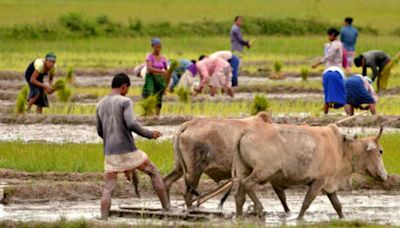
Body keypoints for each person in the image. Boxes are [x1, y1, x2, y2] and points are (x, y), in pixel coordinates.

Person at [96, 73, 170, 220]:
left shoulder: (100, 104)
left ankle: (103, 220)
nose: (127, 91)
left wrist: (111, 141)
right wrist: (149, 134)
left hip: (110, 153)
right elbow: (131, 124)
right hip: (128, 150)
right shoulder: (125, 101)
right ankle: (167, 208)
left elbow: (100, 131)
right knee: (153, 171)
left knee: (108, 187)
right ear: (124, 86)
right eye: (127, 88)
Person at [142, 38, 168, 116]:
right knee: (150, 94)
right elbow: (149, 69)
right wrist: (161, 71)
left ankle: (157, 115)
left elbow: (167, 70)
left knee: (159, 97)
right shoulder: (149, 56)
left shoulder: (163, 58)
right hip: (150, 77)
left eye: (159, 47)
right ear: (152, 47)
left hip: (159, 79)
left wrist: (166, 83)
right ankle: (149, 113)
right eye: (156, 47)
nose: (158, 49)